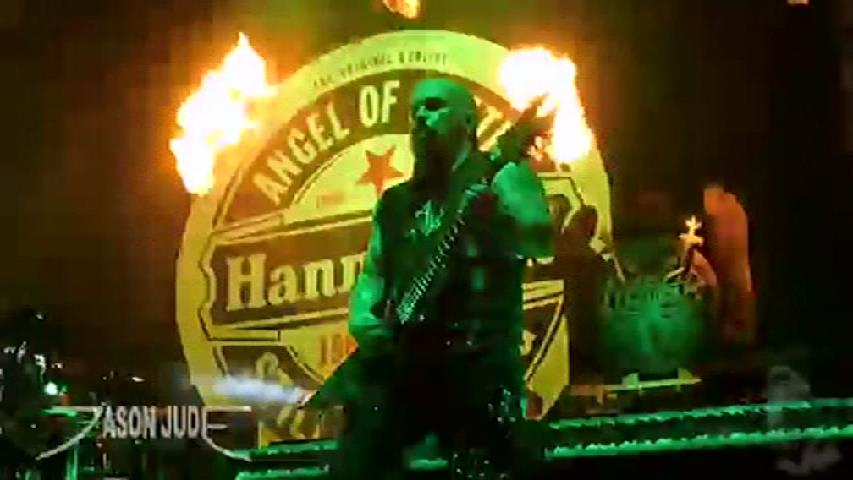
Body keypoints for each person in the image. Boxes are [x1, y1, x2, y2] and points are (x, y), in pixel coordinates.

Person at [329, 78, 553, 479]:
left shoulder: (501, 173)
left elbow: (540, 239)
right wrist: (363, 318)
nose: (420, 117)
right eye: (414, 111)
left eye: (433, 107)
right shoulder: (396, 203)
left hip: (477, 364)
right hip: (408, 368)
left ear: (468, 121)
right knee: (359, 450)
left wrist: (496, 223)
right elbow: (374, 273)